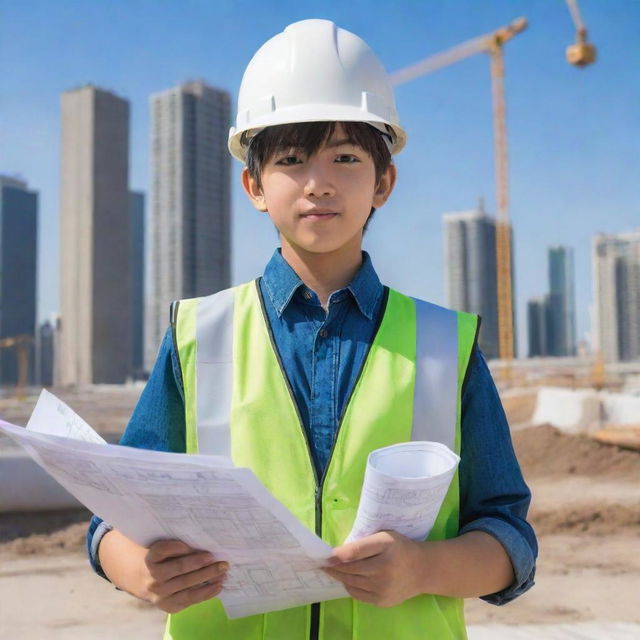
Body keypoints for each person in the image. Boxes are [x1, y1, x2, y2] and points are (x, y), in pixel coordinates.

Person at [87, 19, 537, 639]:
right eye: (291, 160)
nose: (318, 182)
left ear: (383, 182)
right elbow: (113, 516)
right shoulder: (197, 335)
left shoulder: (445, 346)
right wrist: (138, 570)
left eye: (345, 158)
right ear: (254, 186)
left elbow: (508, 538)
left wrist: (422, 568)